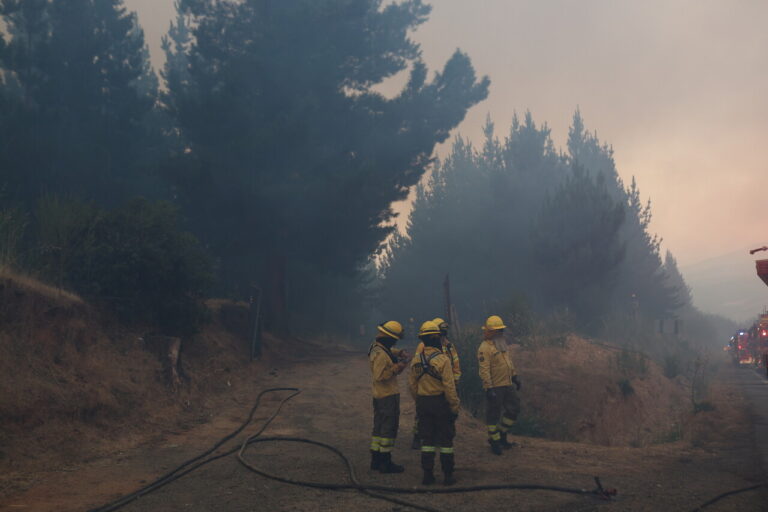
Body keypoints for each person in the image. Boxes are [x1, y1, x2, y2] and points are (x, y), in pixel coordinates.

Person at [408, 321, 460, 486]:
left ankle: (428, 475)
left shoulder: (416, 360)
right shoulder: (443, 360)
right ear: (436, 338)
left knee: (427, 441)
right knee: (446, 441)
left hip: (423, 403)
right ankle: (448, 475)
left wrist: (419, 400)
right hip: (440, 403)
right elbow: (449, 387)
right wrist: (454, 407)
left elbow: (412, 386)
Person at [477, 315, 521, 455]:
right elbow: (484, 370)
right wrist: (489, 388)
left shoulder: (501, 344)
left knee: (514, 409)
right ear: (491, 332)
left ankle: (502, 435)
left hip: (507, 384)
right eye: (499, 330)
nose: (501, 333)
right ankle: (494, 442)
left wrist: (514, 376)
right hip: (495, 386)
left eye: (502, 330)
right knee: (493, 416)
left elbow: (508, 362)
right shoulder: (484, 348)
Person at [369, 320, 409, 473]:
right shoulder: (381, 355)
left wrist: (399, 353)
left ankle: (375, 459)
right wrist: (398, 367)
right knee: (388, 428)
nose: (395, 342)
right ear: (389, 337)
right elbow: (380, 375)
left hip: (379, 394)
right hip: (387, 396)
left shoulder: (376, 347)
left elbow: (388, 351)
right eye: (394, 339)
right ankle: (385, 462)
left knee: (379, 427)